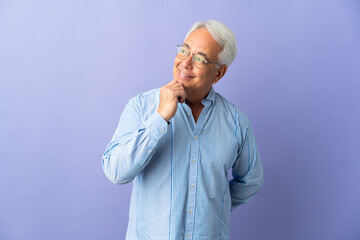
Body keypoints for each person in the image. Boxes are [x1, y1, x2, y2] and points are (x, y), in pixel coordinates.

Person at [102, 20, 264, 240]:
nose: (185, 63)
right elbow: (115, 171)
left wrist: (212, 208)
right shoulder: (141, 107)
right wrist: (160, 119)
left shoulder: (236, 121)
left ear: (219, 73)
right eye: (184, 51)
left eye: (199, 58)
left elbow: (251, 181)